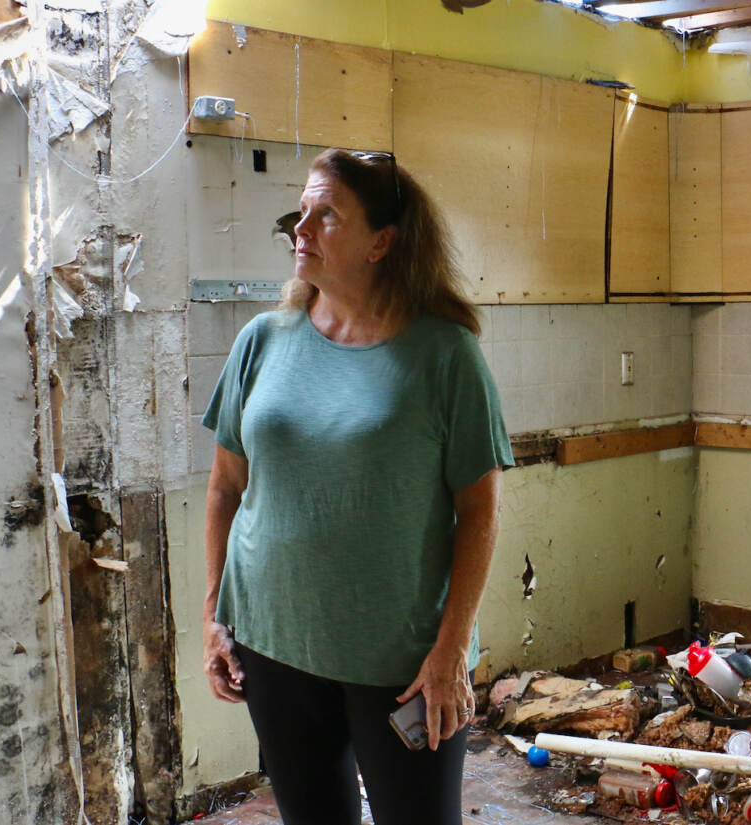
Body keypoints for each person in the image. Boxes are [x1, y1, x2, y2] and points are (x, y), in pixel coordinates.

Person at [199, 147, 514, 825]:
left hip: (401, 659)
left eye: (327, 216)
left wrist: (451, 651)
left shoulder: (443, 355)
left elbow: (479, 509)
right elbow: (226, 486)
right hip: (273, 641)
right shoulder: (263, 340)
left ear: (383, 241)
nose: (301, 230)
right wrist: (213, 617)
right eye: (301, 214)